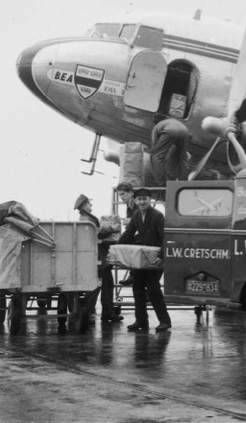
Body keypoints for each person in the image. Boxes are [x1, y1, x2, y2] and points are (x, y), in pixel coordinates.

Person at [118, 188, 172, 332]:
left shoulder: (158, 216)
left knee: (154, 290)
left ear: (150, 200)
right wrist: (115, 248)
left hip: (154, 260)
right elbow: (128, 234)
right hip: (141, 260)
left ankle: (165, 321)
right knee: (137, 290)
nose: (142, 202)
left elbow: (165, 238)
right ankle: (141, 321)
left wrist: (161, 257)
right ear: (135, 201)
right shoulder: (136, 215)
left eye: (145, 199)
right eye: (139, 199)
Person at [74, 194, 123, 323]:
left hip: (98, 259)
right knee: (102, 286)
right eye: (89, 203)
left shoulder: (86, 218)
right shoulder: (86, 219)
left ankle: (92, 313)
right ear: (84, 205)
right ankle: (93, 313)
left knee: (101, 286)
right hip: (98, 260)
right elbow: (97, 232)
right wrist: (113, 228)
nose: (91, 205)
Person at [149, 114, 190, 186]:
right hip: (185, 131)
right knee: (183, 157)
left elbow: (155, 149)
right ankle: (183, 181)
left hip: (170, 131)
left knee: (156, 156)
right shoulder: (172, 121)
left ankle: (161, 183)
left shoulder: (157, 127)